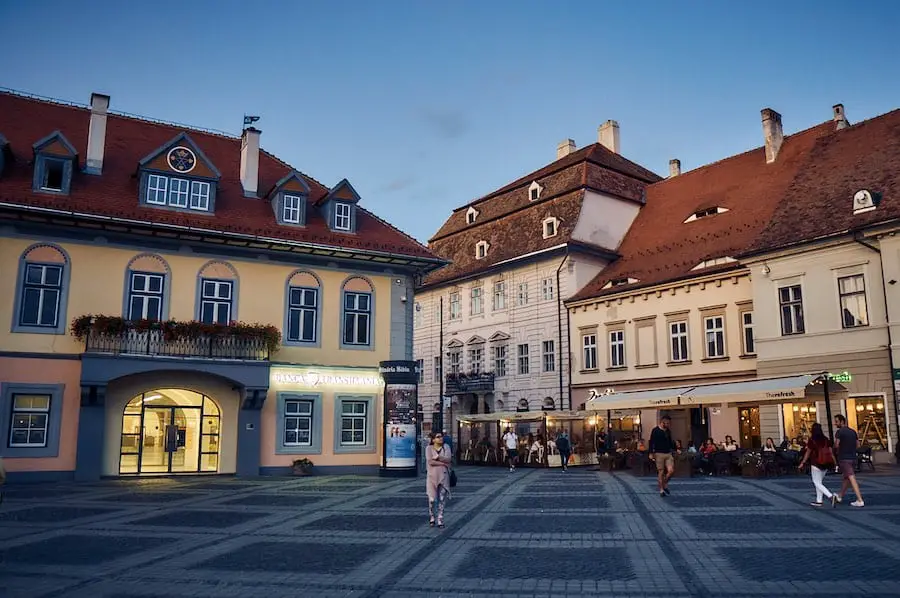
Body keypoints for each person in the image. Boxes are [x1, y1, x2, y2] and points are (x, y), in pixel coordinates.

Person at [797, 423, 837, 507]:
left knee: (816, 482)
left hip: (816, 463)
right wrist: (835, 462)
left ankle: (830, 496)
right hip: (827, 463)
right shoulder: (826, 439)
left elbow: (808, 453)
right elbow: (831, 452)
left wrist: (802, 462)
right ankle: (819, 500)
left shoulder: (812, 440)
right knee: (819, 482)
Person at [834, 414, 865, 507]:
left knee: (851, 477)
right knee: (846, 478)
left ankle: (860, 500)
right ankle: (840, 496)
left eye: (836, 421)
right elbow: (858, 445)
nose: (835, 423)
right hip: (853, 457)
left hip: (844, 458)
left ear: (842, 421)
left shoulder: (839, 432)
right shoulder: (853, 431)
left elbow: (836, 445)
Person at [425, 432, 452, 528]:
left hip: (444, 477)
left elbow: (448, 459)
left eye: (441, 436)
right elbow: (430, 461)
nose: (441, 438)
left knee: (441, 499)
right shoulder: (428, 448)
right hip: (432, 477)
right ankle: (432, 516)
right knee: (431, 500)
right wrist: (443, 463)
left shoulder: (446, 447)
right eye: (438, 437)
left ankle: (440, 519)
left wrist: (438, 457)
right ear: (433, 440)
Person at [649, 415, 675, 497]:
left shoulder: (668, 431)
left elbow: (670, 441)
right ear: (662, 422)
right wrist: (650, 453)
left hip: (668, 453)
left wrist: (676, 448)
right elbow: (651, 442)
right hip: (658, 453)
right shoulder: (655, 430)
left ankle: (664, 483)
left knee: (671, 471)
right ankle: (661, 490)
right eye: (667, 423)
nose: (668, 425)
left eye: (669, 423)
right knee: (661, 472)